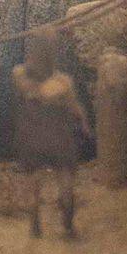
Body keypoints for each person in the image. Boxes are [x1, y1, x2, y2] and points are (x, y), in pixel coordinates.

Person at [11, 26, 89, 239]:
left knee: (33, 182)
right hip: (59, 138)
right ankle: (68, 226)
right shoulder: (63, 83)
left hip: (32, 137)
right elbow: (76, 110)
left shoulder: (19, 75)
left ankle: (35, 224)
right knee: (65, 180)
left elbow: (26, 90)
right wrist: (84, 126)